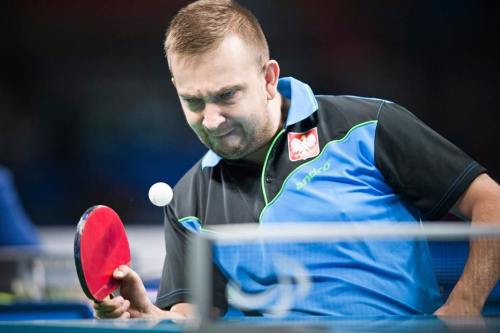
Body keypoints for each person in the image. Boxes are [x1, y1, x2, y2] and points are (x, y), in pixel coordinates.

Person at [94, 0, 500, 320]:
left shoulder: (366, 127)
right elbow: (193, 315)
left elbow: (492, 203)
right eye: (194, 101)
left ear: (269, 78)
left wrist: (465, 304)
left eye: (227, 95)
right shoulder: (187, 202)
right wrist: (148, 315)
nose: (212, 120)